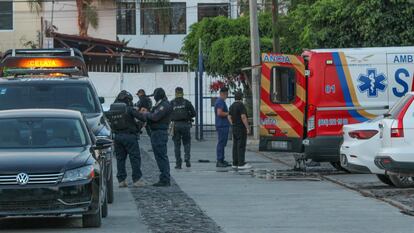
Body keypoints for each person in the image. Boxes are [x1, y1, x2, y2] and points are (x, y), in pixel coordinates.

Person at [134, 88, 172, 187]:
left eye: (154, 95)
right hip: (156, 132)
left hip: (160, 132)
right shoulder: (160, 104)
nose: (153, 97)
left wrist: (146, 113)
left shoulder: (164, 105)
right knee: (159, 156)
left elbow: (155, 117)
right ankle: (163, 178)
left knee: (161, 156)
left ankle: (165, 179)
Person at [106, 90, 145, 188]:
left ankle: (121, 180)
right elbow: (142, 118)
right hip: (130, 136)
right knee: (135, 158)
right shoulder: (129, 109)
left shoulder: (112, 110)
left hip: (117, 137)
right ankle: (137, 180)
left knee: (120, 159)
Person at [170, 87, 196, 169]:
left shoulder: (171, 103)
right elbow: (194, 113)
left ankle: (178, 163)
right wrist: (188, 116)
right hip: (185, 125)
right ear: (182, 93)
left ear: (175, 93)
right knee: (187, 143)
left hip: (175, 125)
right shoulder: (187, 102)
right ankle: (187, 159)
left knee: (176, 145)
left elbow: (168, 114)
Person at [228, 91, 251, 170]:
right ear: (241, 97)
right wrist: (247, 127)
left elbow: (229, 116)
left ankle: (235, 163)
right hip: (241, 128)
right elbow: (243, 117)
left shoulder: (232, 106)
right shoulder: (241, 105)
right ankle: (241, 163)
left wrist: (233, 123)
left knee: (235, 145)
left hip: (234, 127)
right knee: (241, 145)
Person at [214, 87, 231, 167]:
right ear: (223, 94)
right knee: (221, 143)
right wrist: (229, 113)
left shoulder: (221, 101)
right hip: (222, 125)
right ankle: (219, 160)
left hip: (223, 125)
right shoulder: (220, 101)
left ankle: (222, 159)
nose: (227, 96)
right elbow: (219, 113)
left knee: (223, 143)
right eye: (226, 94)